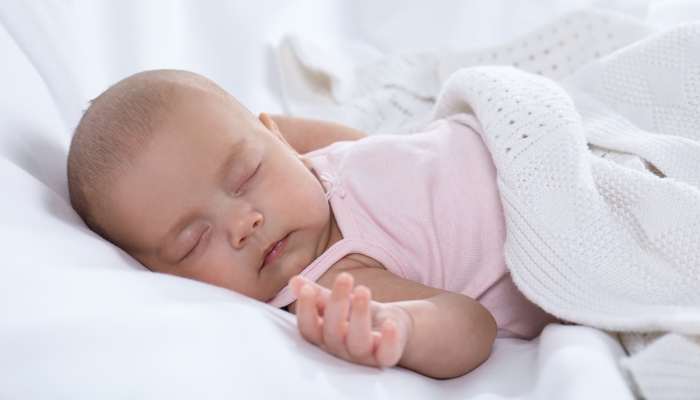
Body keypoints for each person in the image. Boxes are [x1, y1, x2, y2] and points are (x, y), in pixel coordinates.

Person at [67, 69, 557, 379]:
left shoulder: (298, 166)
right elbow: (473, 325)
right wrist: (401, 327)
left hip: (524, 133)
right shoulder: (334, 278)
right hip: (554, 219)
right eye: (196, 240)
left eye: (245, 176)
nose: (243, 221)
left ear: (277, 138)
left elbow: (360, 145)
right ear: (160, 276)